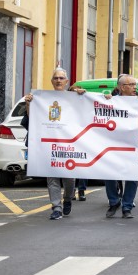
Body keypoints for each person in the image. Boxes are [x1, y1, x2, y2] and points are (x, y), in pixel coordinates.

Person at [22, 68, 85, 220]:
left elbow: (88, 111)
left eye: (61, 78)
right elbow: (33, 119)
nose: (58, 80)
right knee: (52, 178)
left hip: (69, 145)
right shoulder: (41, 99)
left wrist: (83, 96)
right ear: (52, 81)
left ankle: (68, 198)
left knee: (69, 179)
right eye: (55, 78)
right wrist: (29, 104)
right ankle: (56, 207)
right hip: (50, 145)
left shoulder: (74, 97)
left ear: (66, 81)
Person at [103, 74, 138, 218]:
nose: (135, 87)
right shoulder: (111, 101)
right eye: (131, 84)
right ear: (122, 87)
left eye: (135, 84)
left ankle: (127, 206)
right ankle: (114, 201)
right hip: (114, 145)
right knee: (109, 174)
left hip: (133, 145)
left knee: (133, 176)